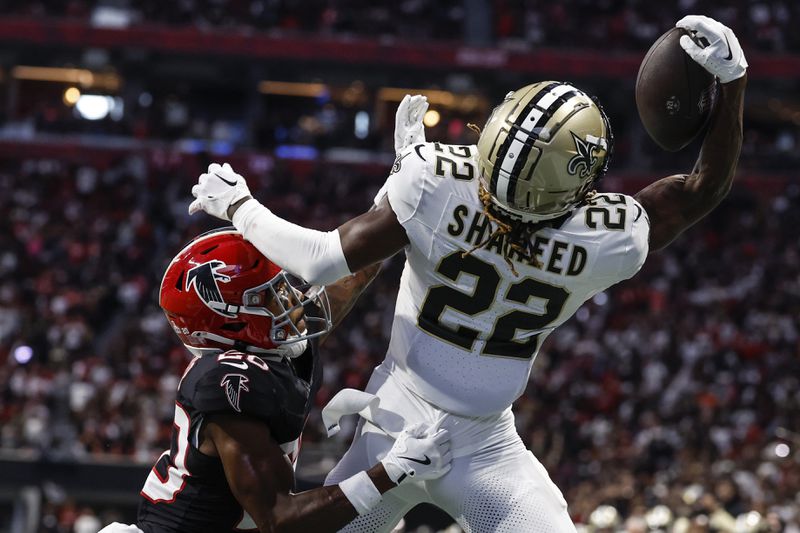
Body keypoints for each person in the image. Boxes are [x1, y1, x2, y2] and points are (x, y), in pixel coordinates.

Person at [188, 15, 747, 532]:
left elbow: (321, 258)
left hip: (415, 421)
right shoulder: (607, 237)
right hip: (469, 437)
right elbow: (703, 189)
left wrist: (244, 206)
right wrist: (734, 82)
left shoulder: (434, 180)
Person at [100, 228, 453, 533]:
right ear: (228, 320)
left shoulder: (273, 352)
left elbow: (352, 277)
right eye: (269, 295)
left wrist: (400, 210)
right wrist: (391, 471)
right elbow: (281, 520)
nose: (292, 298)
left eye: (283, 285)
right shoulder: (227, 383)